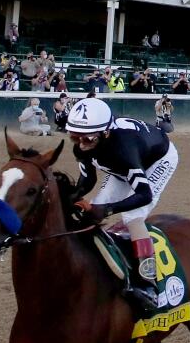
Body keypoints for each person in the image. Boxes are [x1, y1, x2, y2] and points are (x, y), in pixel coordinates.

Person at [67, 97, 179, 317]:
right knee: (93, 208)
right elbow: (87, 181)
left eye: (87, 138)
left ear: (105, 133)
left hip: (158, 159)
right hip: (122, 165)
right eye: (75, 136)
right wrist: (71, 198)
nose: (81, 143)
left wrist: (108, 210)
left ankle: (148, 284)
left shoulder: (123, 149)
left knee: (132, 216)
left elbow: (144, 195)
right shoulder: (86, 145)